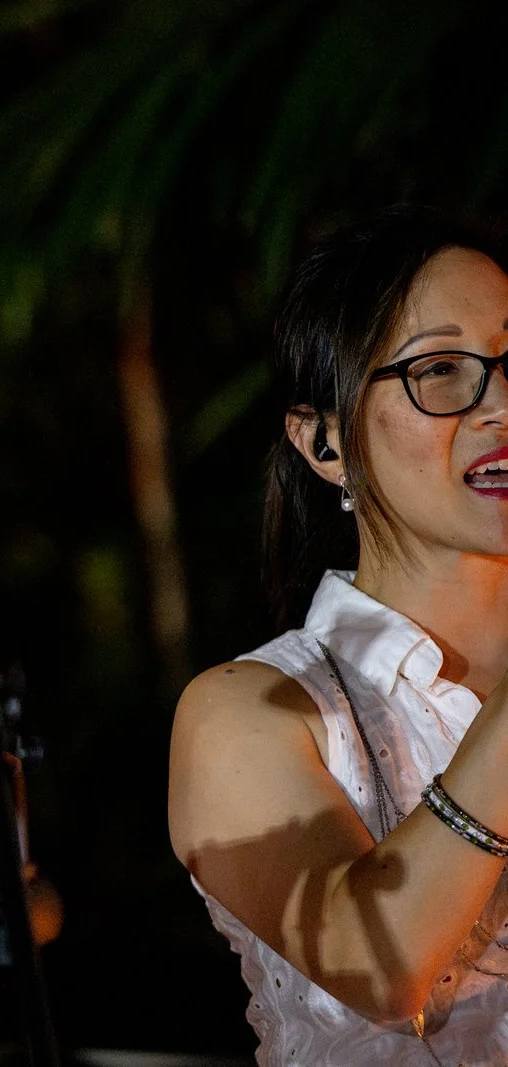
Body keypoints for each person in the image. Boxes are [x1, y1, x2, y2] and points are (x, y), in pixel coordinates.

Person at [169, 207, 508, 1064]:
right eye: (440, 370)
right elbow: (381, 963)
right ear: (325, 442)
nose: (501, 403)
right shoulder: (252, 711)